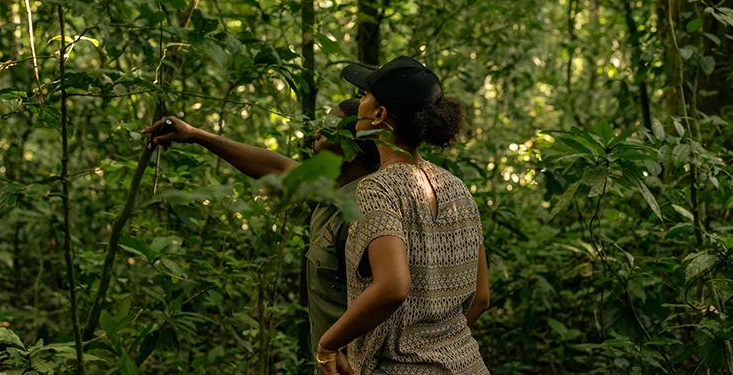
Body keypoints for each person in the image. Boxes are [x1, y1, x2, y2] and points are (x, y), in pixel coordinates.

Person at [141, 100, 380, 373]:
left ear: (350, 149)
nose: (317, 134)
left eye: (328, 130)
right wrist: (196, 134)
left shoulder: (368, 210)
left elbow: (392, 292)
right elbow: (278, 169)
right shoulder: (333, 191)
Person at [316, 57, 491, 375]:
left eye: (365, 95)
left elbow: (393, 286)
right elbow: (481, 297)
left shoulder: (377, 189)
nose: (360, 101)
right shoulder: (457, 188)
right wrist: (440, 344)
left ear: (379, 114)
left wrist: (327, 345)